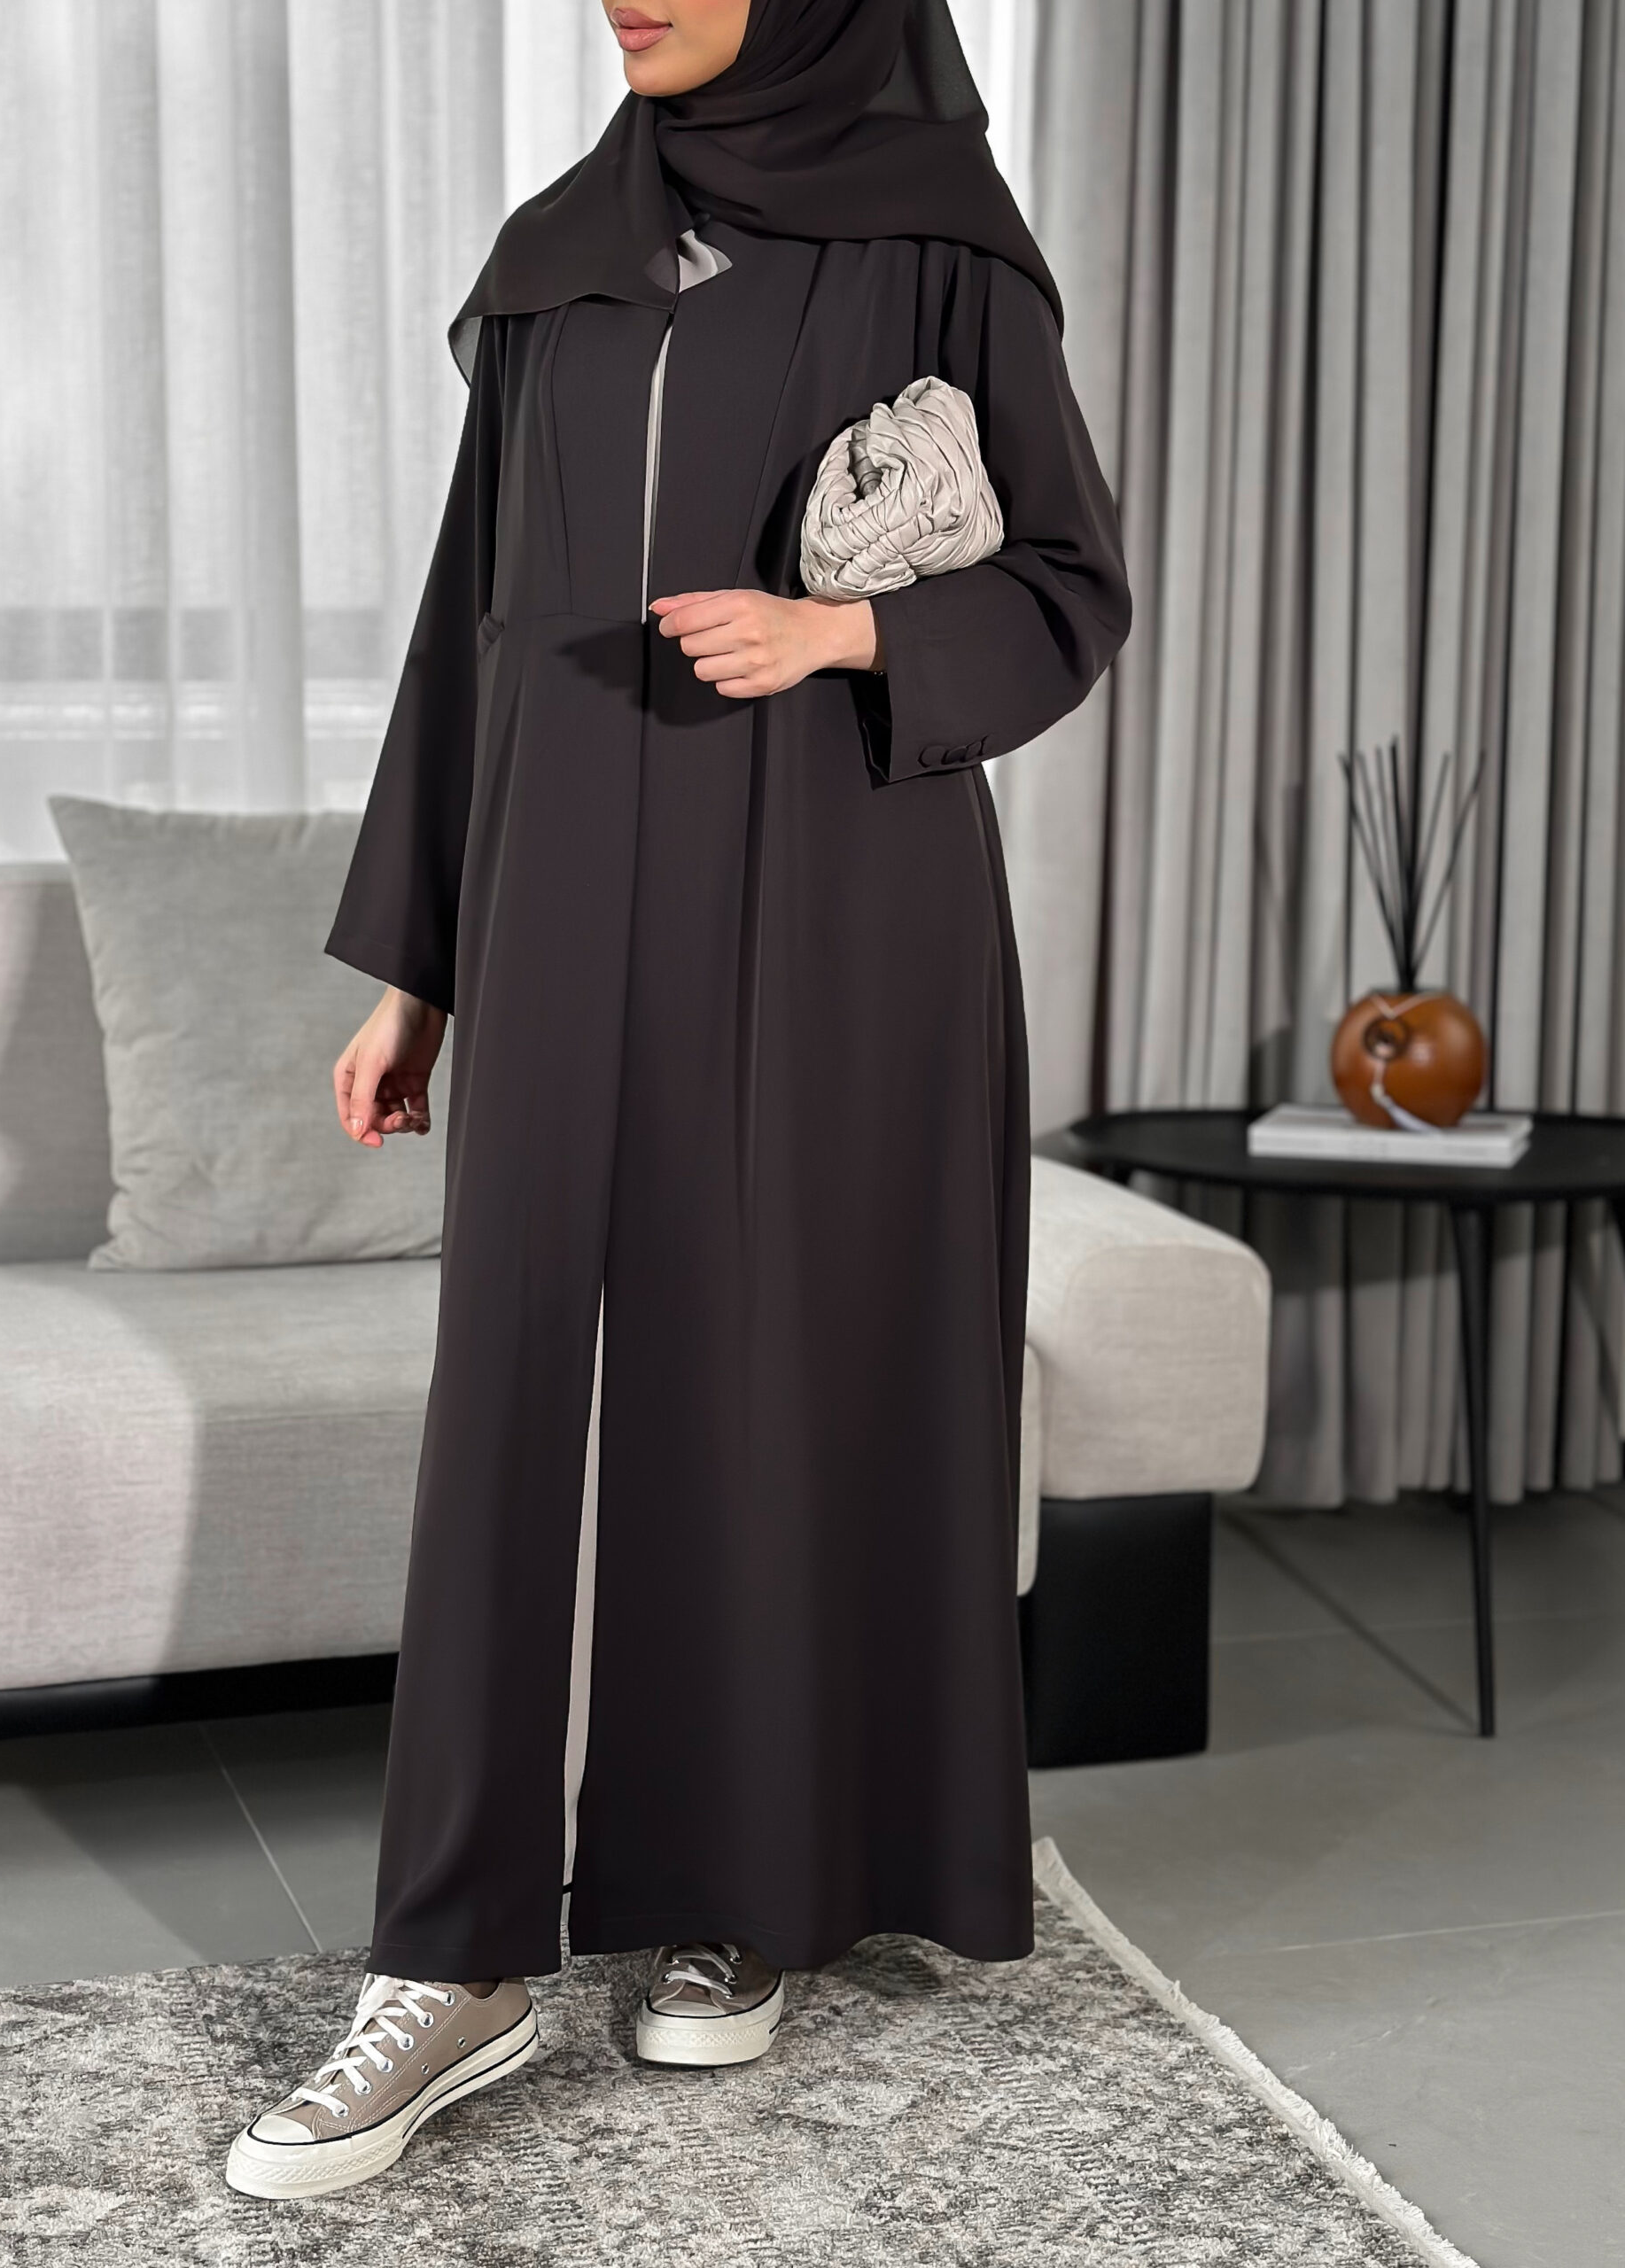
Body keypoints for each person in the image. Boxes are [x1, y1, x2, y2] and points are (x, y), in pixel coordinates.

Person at [226, 0, 1129, 2202]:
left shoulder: (936, 240)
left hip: (843, 894)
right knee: (512, 1375)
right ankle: (451, 1954)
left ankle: (748, 1882)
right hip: (557, 894)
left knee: (772, 1366)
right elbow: (469, 628)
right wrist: (421, 965)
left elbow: (1067, 581)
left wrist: (844, 640)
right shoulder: (561, 255)